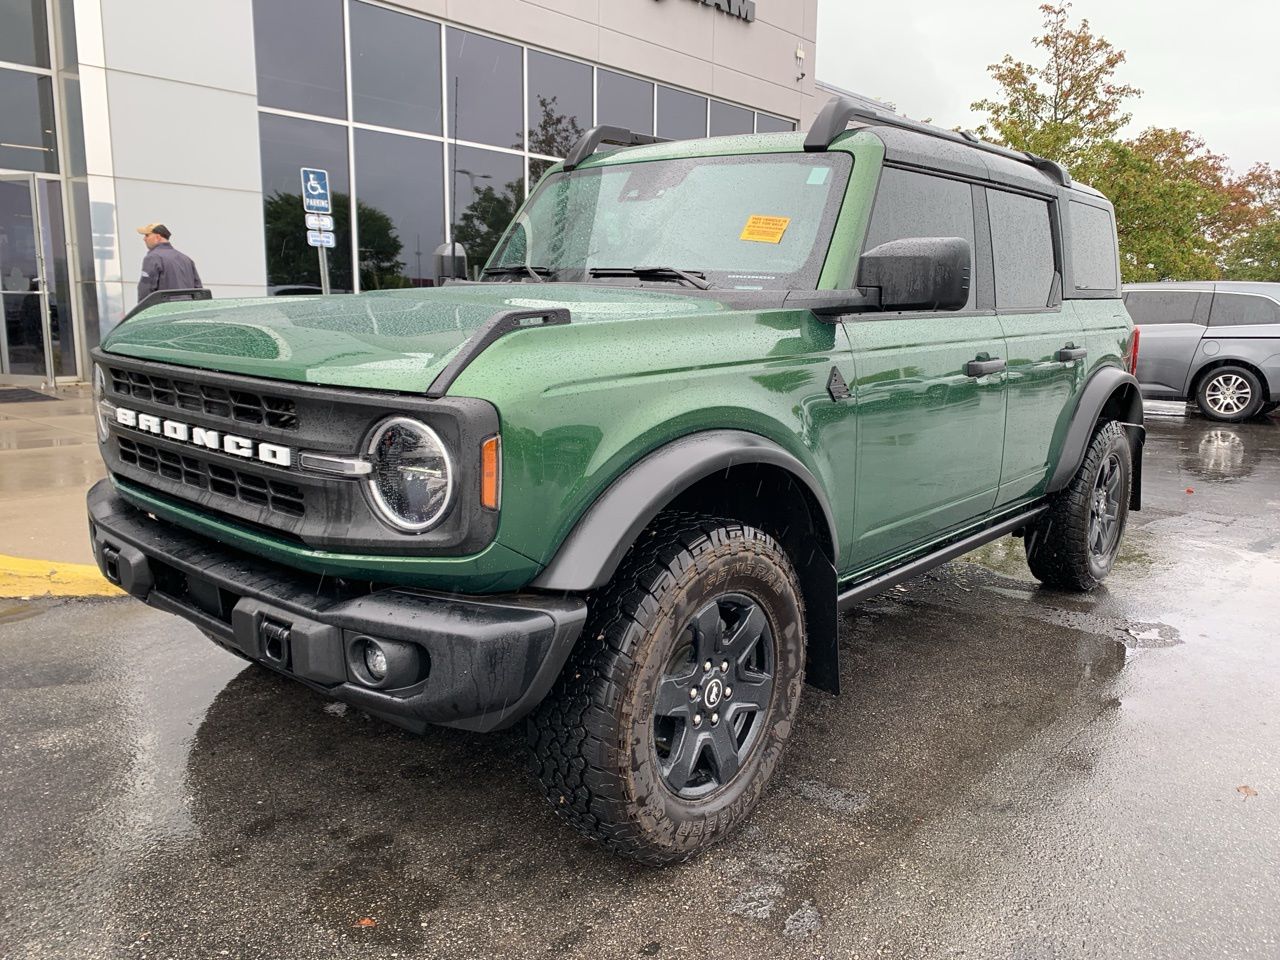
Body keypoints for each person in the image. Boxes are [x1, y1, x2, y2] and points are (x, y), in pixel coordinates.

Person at [136, 222, 202, 300]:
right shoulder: (186, 259)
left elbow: (145, 291)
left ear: (158, 237)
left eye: (147, 235)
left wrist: (142, 311)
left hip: (165, 310)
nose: (144, 239)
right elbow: (199, 291)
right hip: (187, 310)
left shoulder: (153, 258)